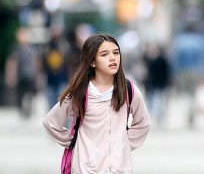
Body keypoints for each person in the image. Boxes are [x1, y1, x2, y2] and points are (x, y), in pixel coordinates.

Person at [43, 34, 150, 173]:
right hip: (86, 169)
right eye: (104, 54)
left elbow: (143, 123)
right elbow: (51, 122)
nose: (112, 58)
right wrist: (74, 143)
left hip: (119, 169)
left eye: (116, 53)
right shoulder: (81, 92)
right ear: (92, 62)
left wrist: (124, 145)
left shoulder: (128, 89)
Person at [5, 27, 40, 118]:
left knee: (30, 93)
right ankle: (22, 109)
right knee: (20, 94)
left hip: (30, 75)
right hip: (20, 75)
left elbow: (36, 62)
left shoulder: (32, 49)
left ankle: (29, 109)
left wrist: (38, 75)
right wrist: (10, 75)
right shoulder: (15, 48)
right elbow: (12, 62)